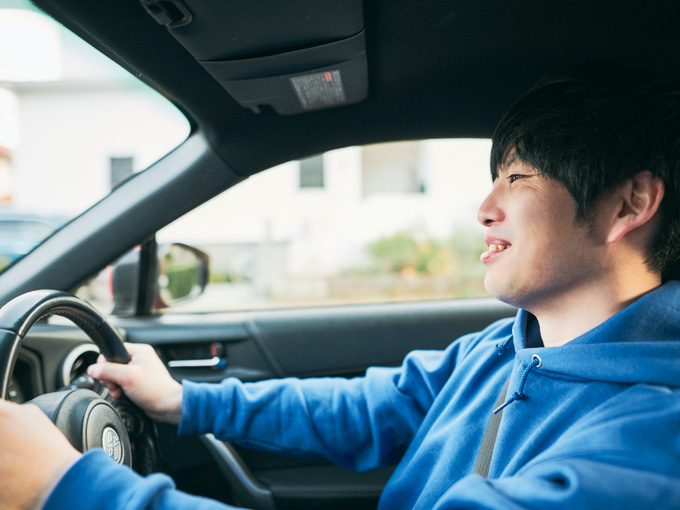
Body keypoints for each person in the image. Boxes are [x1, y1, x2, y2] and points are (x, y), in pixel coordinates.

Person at [1, 62, 679, 510]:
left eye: (519, 178)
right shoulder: (504, 349)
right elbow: (365, 407)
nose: (485, 208)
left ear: (629, 204)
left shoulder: (652, 436)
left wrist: (65, 486)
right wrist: (184, 401)